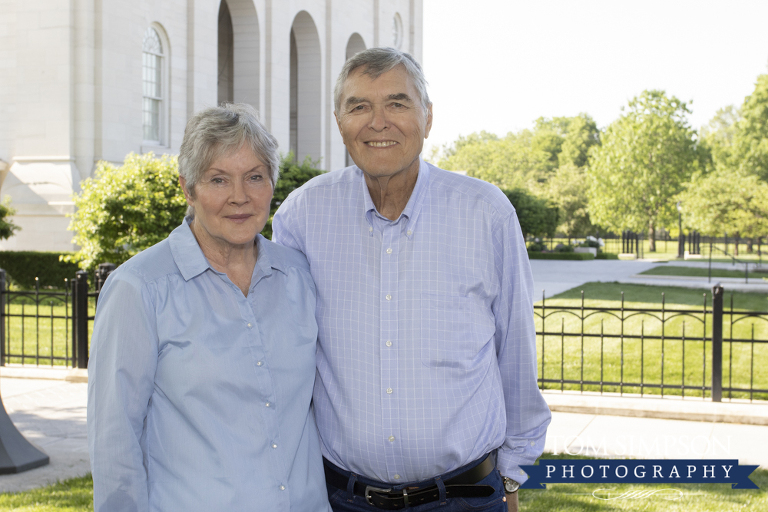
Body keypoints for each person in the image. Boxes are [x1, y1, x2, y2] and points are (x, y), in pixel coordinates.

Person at [272, 47, 551, 512]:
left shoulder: (487, 215)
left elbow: (516, 356)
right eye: (359, 106)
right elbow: (283, 351)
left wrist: (514, 476)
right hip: (342, 499)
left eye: (397, 103)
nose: (378, 122)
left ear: (428, 116)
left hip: (465, 498)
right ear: (340, 121)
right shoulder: (303, 216)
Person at [88, 103, 331, 512]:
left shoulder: (300, 276)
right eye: (219, 179)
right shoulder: (140, 289)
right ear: (188, 188)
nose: (240, 197)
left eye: (255, 177)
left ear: (272, 183)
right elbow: (115, 440)